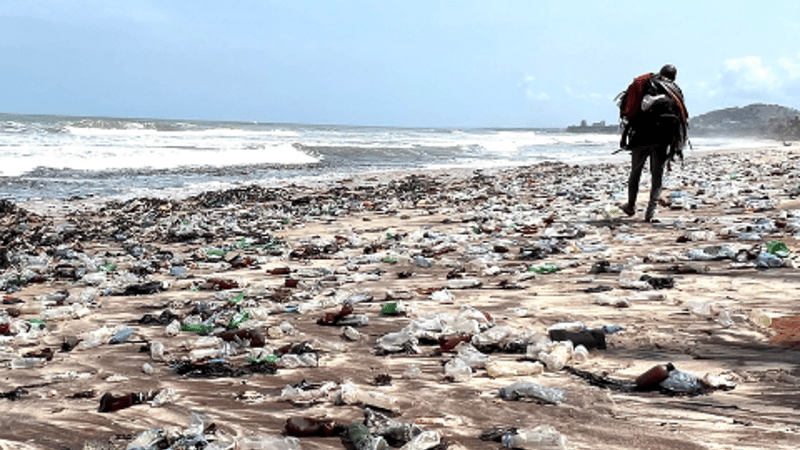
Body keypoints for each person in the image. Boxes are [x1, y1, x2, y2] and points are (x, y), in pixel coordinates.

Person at [618, 64, 688, 222]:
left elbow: (629, 109)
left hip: (641, 137)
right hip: (662, 140)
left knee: (635, 173)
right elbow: (681, 119)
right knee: (657, 175)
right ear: (674, 77)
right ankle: (651, 212)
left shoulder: (644, 83)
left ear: (660, 72)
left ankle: (630, 205)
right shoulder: (675, 91)